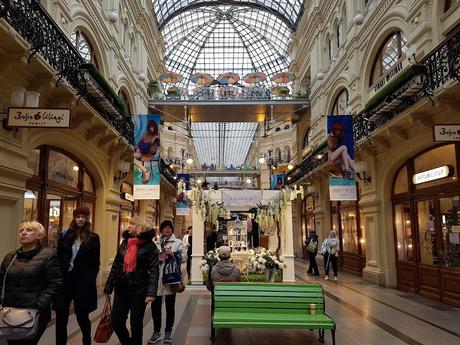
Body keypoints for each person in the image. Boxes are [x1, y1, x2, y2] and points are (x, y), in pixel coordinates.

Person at [0, 221, 62, 345]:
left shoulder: (49, 255)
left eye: (29, 230)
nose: (23, 233)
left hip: (34, 313)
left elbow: (55, 283)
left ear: (39, 235)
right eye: (21, 230)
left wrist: (39, 304)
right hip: (9, 312)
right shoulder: (10, 257)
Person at [104, 216, 159, 345]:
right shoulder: (125, 243)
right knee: (116, 321)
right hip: (121, 288)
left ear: (140, 228)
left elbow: (154, 271)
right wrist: (108, 287)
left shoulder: (150, 247)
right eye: (129, 224)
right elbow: (117, 265)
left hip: (139, 290)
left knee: (136, 324)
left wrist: (151, 293)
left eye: (132, 224)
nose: (128, 226)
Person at [54, 206, 100, 345]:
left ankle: (86, 339)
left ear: (87, 219)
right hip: (65, 280)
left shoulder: (93, 238)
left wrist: (90, 278)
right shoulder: (65, 235)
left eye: (83, 217)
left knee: (82, 315)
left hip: (82, 281)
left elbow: (95, 262)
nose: (80, 219)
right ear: (74, 218)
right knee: (61, 316)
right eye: (78, 216)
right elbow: (59, 257)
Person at [149, 220, 185, 344]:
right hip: (157, 279)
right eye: (165, 228)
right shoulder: (155, 243)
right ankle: (156, 332)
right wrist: (159, 257)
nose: (167, 230)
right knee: (155, 307)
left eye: (169, 228)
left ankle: (168, 332)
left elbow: (184, 257)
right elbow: (150, 258)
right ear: (161, 230)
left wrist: (173, 253)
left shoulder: (178, 242)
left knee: (170, 307)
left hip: (171, 279)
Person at [134, 119, 160, 183]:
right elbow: (139, 143)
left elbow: (160, 139)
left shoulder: (158, 135)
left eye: (152, 127)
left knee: (133, 157)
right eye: (150, 127)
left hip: (149, 154)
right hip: (142, 151)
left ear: (155, 127)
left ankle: (146, 171)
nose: (151, 128)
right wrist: (137, 149)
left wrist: (155, 138)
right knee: (133, 156)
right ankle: (145, 171)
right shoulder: (145, 134)